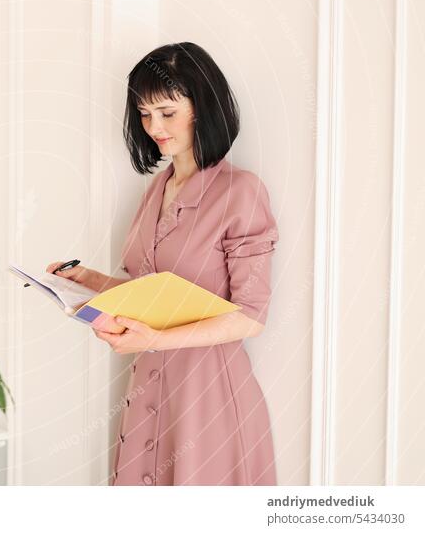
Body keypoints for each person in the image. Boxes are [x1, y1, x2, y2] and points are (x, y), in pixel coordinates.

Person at [45, 42, 280, 486]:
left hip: (207, 396)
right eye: (144, 113)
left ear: (202, 108)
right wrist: (86, 279)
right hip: (149, 384)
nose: (154, 126)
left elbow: (251, 317)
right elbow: (147, 290)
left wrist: (156, 338)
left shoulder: (240, 192)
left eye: (168, 112)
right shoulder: (156, 189)